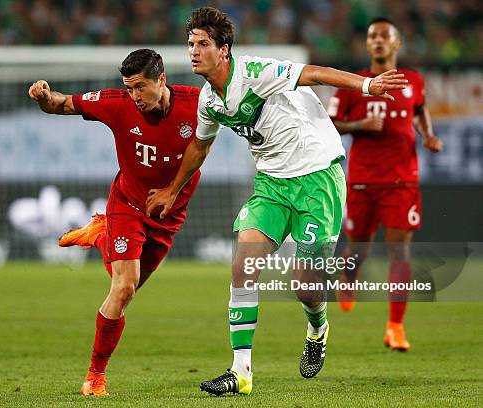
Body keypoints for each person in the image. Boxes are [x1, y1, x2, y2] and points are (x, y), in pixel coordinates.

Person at [146, 7, 407, 396]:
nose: (194, 52)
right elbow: (200, 146)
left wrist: (367, 87)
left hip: (318, 175)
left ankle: (318, 327)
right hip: (272, 182)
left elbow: (314, 74)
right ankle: (241, 372)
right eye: (190, 44)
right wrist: (171, 189)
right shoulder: (208, 101)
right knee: (242, 266)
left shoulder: (255, 72)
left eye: (202, 44)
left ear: (225, 50)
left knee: (305, 285)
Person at [28, 49, 201, 396]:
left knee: (129, 287)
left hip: (168, 217)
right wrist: (45, 98)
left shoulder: (199, 103)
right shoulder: (118, 104)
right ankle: (95, 376)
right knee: (122, 288)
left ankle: (99, 235)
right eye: (129, 87)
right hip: (127, 205)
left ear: (161, 80)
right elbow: (62, 105)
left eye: (140, 87)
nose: (134, 96)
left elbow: (243, 108)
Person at [328, 18, 443, 351]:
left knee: (399, 252)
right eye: (372, 36)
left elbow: (420, 111)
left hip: (402, 180)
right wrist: (362, 123)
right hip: (363, 180)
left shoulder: (414, 81)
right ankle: (349, 277)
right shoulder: (353, 83)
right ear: (367, 45)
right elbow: (332, 124)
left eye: (384, 36)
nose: (378, 41)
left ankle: (395, 326)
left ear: (397, 44)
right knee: (358, 249)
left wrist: (428, 135)